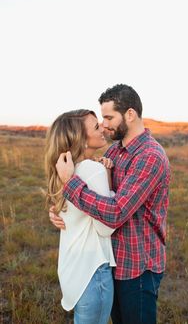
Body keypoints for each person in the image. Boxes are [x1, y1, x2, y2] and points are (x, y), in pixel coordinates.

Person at [50, 84, 171, 324]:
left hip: (137, 267)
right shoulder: (115, 152)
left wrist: (70, 184)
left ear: (130, 114)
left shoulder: (149, 157)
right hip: (110, 263)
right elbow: (96, 196)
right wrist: (60, 211)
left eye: (108, 117)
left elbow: (115, 212)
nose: (104, 125)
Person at [45, 109, 116, 324]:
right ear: (81, 140)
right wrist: (110, 189)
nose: (103, 127)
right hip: (93, 273)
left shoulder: (64, 171)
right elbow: (106, 227)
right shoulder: (93, 170)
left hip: (72, 270)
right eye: (96, 127)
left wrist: (108, 177)